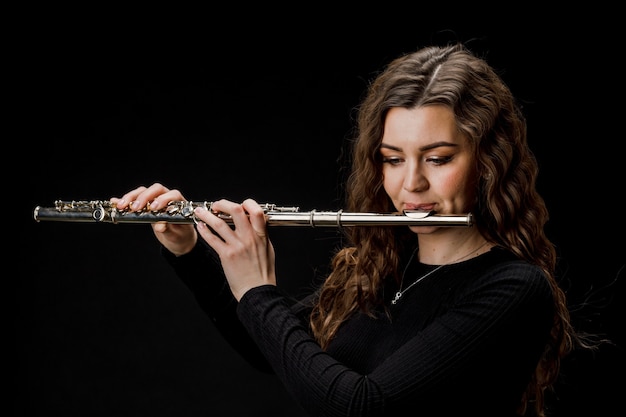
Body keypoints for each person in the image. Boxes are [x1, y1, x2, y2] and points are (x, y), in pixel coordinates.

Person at [111, 43, 590, 417]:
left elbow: (360, 409)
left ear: (487, 162)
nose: (412, 183)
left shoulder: (511, 289)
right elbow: (273, 349)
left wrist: (258, 290)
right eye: (392, 159)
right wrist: (189, 249)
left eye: (438, 158)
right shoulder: (383, 265)